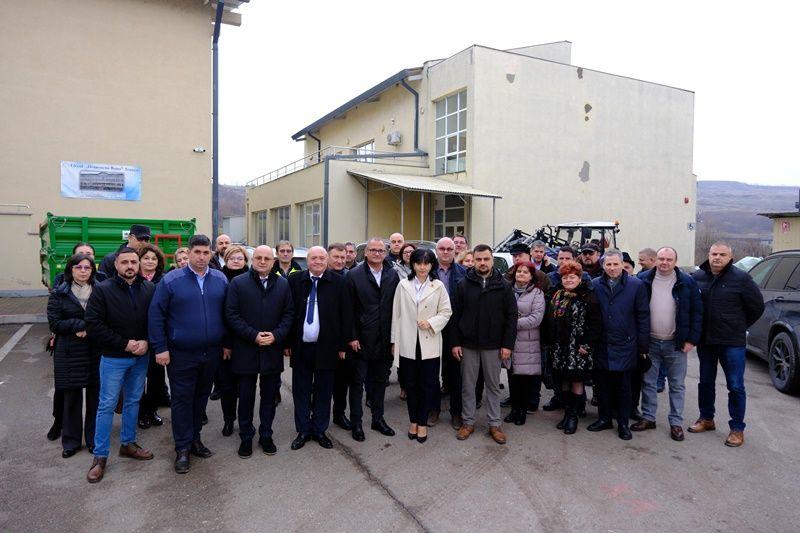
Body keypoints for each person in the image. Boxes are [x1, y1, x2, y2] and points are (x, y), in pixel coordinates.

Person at [149, 234, 231, 474]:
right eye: (197, 252)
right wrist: (160, 347)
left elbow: (227, 314)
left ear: (211, 253)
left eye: (206, 253)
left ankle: (195, 439)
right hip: (181, 353)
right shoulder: (171, 281)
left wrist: (226, 344)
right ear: (189, 252)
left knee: (201, 397)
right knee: (182, 399)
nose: (202, 257)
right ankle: (182, 447)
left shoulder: (220, 279)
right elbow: (156, 315)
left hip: (211, 352)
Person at [84, 247, 155, 483]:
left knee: (133, 401)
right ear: (116, 265)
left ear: (139, 264)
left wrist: (147, 341)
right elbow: (93, 324)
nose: (130, 266)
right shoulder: (103, 290)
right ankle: (100, 457)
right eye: (125, 262)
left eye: (134, 262)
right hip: (114, 358)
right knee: (106, 405)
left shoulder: (149, 289)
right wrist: (125, 344)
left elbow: (155, 320)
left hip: (141, 357)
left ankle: (128, 444)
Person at [689, 242, 764, 447]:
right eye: (714, 253)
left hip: (732, 342)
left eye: (722, 254)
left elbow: (757, 307)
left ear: (730, 257)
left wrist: (738, 325)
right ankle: (706, 418)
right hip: (706, 341)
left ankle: (737, 428)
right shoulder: (698, 277)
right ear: (709, 255)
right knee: (705, 381)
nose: (717, 257)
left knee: (735, 385)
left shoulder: (741, 279)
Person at [225, 245, 293, 457]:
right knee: (245, 397)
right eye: (258, 258)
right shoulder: (238, 283)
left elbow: (289, 314)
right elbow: (231, 314)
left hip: (272, 350)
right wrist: (253, 335)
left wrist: (276, 335)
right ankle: (246, 436)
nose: (262, 262)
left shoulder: (283, 284)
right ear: (252, 260)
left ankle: (266, 435)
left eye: (267, 258)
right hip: (246, 349)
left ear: (273, 262)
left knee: (269, 397)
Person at [634, 246, 703, 441]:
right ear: (656, 260)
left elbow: (697, 312)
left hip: (676, 343)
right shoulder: (643, 279)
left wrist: (692, 340)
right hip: (650, 341)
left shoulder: (687, 282)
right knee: (648, 382)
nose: (664, 262)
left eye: (669, 259)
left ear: (675, 262)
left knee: (676, 384)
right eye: (661, 258)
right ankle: (648, 417)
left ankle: (676, 422)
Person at [287, 246, 352, 450]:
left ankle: (319, 430)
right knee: (301, 390)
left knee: (324, 391)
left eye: (322, 258)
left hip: (327, 347)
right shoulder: (295, 280)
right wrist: (287, 343)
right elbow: (287, 313)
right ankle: (303, 430)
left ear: (327, 261)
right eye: (313, 258)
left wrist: (342, 346)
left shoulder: (339, 282)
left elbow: (345, 315)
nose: (317, 261)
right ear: (307, 260)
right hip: (301, 347)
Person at [451, 244, 517, 445]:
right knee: (468, 386)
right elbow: (455, 316)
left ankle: (494, 424)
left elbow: (511, 317)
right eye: (478, 259)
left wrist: (507, 345)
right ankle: (468, 422)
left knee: (493, 386)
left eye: (486, 259)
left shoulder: (504, 285)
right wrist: (455, 343)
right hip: (468, 344)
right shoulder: (463, 285)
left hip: (494, 345)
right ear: (473, 261)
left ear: (492, 260)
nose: (482, 263)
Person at [587, 250, 650, 440]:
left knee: (624, 387)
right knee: (603, 385)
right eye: (608, 264)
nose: (612, 268)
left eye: (616, 264)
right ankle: (604, 419)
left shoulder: (636, 285)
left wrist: (643, 346)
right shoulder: (595, 284)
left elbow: (643, 316)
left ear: (623, 265)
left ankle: (623, 423)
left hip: (626, 344)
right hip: (602, 343)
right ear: (603, 266)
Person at [391, 248, 452, 443]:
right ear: (412, 264)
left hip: (429, 342)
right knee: (410, 384)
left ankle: (423, 423)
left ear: (432, 265)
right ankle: (413, 421)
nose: (422, 267)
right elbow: (396, 315)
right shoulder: (403, 285)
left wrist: (431, 323)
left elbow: (446, 311)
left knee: (427, 385)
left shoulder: (438, 286)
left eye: (426, 263)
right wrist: (394, 341)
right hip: (408, 342)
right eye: (419, 263)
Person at [48, 242, 106, 443]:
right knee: (71, 397)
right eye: (78, 267)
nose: (83, 271)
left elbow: (107, 317)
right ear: (70, 269)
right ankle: (71, 441)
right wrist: (79, 325)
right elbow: (55, 323)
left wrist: (88, 328)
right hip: (69, 351)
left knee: (95, 397)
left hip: (95, 350)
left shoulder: (102, 291)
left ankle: (92, 439)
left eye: (87, 267)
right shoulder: (59, 293)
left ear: (92, 270)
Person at [347, 237, 400, 441]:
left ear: (385, 253)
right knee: (357, 384)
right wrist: (352, 336)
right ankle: (356, 423)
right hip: (361, 339)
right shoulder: (354, 275)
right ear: (366, 252)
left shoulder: (392, 274)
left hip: (384, 339)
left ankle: (378, 419)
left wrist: (394, 339)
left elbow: (396, 308)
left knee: (380, 382)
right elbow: (348, 308)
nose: (377, 253)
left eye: (380, 250)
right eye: (373, 250)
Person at [547, 260, 602, 434]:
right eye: (565, 277)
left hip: (578, 348)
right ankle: (567, 413)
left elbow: (596, 324)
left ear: (579, 278)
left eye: (572, 277)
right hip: (559, 347)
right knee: (563, 381)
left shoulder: (587, 296)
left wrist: (587, 344)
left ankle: (573, 417)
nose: (568, 280)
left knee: (576, 382)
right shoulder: (557, 294)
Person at [503, 262, 546, 426]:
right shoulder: (507, 290)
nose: (521, 274)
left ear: (531, 276)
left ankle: (522, 411)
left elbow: (536, 318)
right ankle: (514, 410)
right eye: (519, 271)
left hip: (527, 342)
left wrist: (512, 323)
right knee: (512, 377)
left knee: (524, 380)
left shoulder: (537, 293)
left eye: (525, 272)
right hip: (509, 341)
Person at [215, 244, 251, 436]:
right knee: (227, 385)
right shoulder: (219, 280)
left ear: (245, 261)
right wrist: (226, 343)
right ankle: (229, 419)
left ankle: (245, 421)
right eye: (232, 258)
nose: (236, 261)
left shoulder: (252, 279)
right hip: (225, 342)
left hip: (247, 340)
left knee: (245, 386)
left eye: (240, 258)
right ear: (226, 260)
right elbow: (222, 315)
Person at [434, 237, 468, 429]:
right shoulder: (427, 271)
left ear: (455, 251)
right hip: (432, 327)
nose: (445, 252)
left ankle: (456, 412)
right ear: (436, 250)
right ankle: (433, 409)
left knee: (456, 373)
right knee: (432, 372)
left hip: (456, 328)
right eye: (442, 248)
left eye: (449, 248)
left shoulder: (464, 273)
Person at [136, 243, 168, 430]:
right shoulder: (133, 278)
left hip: (157, 336)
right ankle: (140, 412)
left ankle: (152, 410)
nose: (150, 261)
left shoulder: (164, 280)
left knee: (156, 377)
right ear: (139, 260)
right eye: (146, 258)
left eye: (154, 258)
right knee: (138, 379)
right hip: (137, 335)